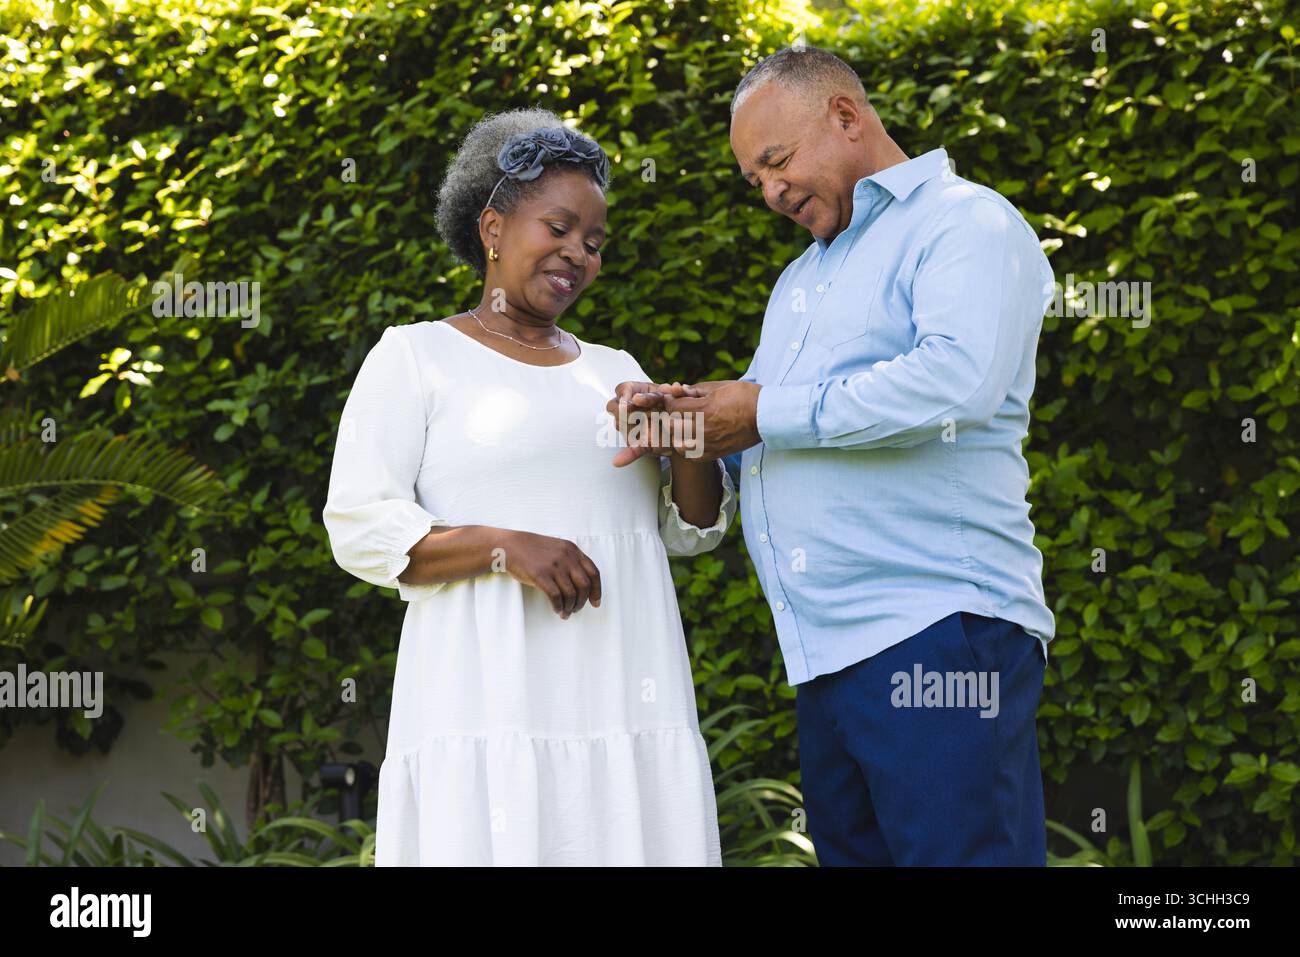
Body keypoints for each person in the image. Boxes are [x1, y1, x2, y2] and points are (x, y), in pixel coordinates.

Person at [609, 46, 1055, 866]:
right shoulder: (798, 285)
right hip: (824, 659)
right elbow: (762, 441)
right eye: (755, 181)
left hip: (935, 630)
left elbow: (955, 383)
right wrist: (680, 424)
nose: (771, 192)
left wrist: (760, 408)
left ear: (846, 116)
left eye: (777, 162)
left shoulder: (966, 221)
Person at [323, 109, 734, 866]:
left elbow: (692, 528)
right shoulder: (415, 357)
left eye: (595, 242)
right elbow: (360, 526)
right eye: (560, 227)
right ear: (492, 228)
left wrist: (685, 435)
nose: (578, 252)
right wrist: (505, 546)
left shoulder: (619, 367)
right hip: (488, 700)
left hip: (623, 690)